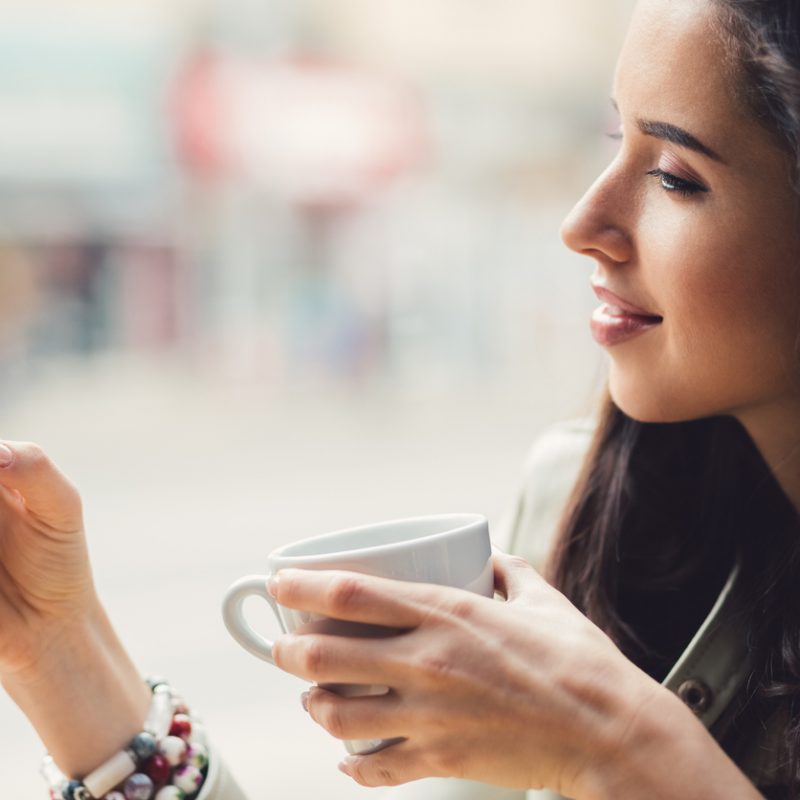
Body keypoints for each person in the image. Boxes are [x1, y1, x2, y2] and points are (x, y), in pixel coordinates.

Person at [2, 0, 800, 797]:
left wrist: (618, 744)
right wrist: (53, 649)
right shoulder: (582, 505)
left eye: (673, 175)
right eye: (614, 138)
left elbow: (610, 742)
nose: (581, 222)